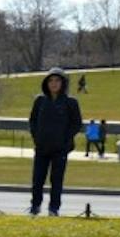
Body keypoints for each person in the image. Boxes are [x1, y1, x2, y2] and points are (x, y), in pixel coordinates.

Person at [27, 68, 82, 216]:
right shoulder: (40, 101)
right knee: (37, 179)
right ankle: (35, 206)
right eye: (51, 80)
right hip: (42, 147)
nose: (54, 84)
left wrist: (65, 139)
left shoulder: (70, 102)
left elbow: (76, 124)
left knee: (56, 180)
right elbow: (32, 121)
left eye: (57, 80)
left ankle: (54, 208)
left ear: (63, 83)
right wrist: (36, 137)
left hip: (60, 149)